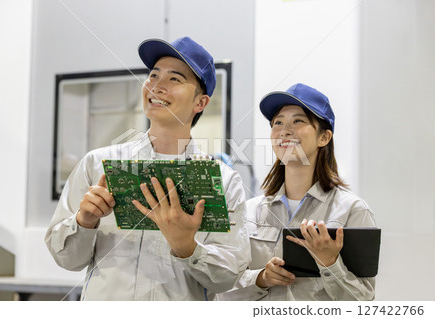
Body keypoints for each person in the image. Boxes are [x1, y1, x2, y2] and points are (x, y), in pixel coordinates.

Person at [45, 36, 250, 300]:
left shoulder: (222, 181)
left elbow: (229, 276)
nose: (156, 86)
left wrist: (187, 247)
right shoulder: (99, 165)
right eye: (153, 75)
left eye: (174, 79)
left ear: (200, 103)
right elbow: (67, 260)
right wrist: (84, 221)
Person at [218, 83, 376, 301]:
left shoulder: (352, 210)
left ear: (324, 137)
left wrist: (329, 263)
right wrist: (261, 278)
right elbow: (222, 290)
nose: (284, 130)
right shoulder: (250, 211)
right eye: (278, 122)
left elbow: (364, 302)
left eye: (298, 121)